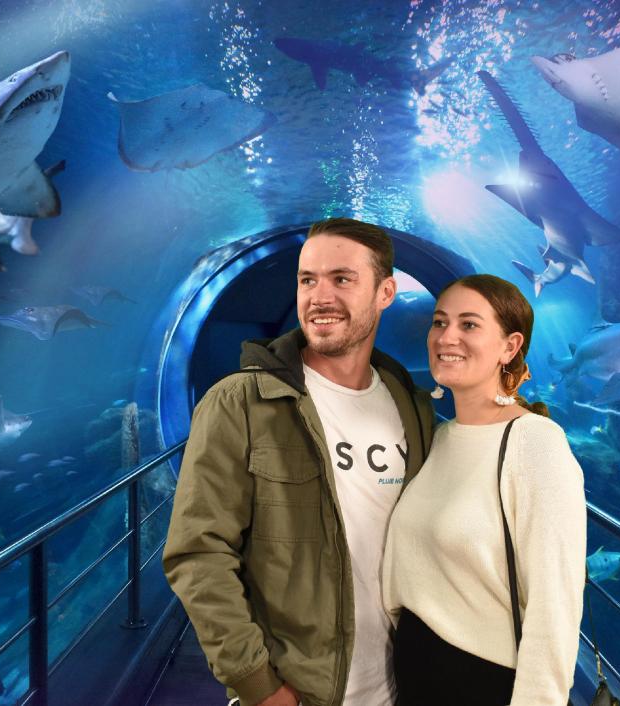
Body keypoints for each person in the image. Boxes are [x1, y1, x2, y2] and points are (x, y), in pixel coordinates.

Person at [163, 218, 435, 706]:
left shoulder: (411, 406)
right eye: (308, 279)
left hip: (405, 684)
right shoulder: (240, 403)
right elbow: (198, 552)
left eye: (342, 279)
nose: (319, 297)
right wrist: (258, 685)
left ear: (386, 293)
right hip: (298, 691)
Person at [383, 274, 587, 706]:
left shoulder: (535, 444)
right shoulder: (440, 438)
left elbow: (556, 605)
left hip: (483, 684)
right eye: (440, 322)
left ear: (510, 347)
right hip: (415, 680)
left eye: (469, 324)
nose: (446, 337)